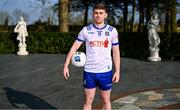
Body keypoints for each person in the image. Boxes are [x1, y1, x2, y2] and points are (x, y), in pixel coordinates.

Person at [62, 3, 120, 110]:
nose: (98, 15)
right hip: (89, 72)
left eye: (101, 13)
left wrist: (117, 71)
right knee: (88, 100)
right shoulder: (86, 30)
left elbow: (116, 52)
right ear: (93, 14)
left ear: (105, 15)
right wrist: (66, 65)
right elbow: (74, 48)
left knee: (106, 100)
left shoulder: (112, 31)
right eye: (96, 13)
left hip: (105, 71)